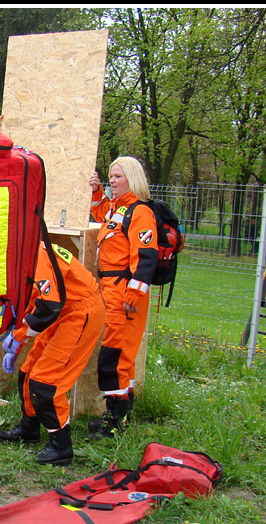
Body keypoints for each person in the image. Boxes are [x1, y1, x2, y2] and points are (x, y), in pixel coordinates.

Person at [0, 242, 104, 465]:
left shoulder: (31, 253)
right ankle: (29, 427)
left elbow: (48, 306)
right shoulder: (25, 249)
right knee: (28, 371)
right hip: (63, 310)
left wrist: (19, 338)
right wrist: (19, 339)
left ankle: (60, 445)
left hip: (79, 312)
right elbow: (37, 303)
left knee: (46, 382)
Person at [87, 157, 159, 439]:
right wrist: (96, 192)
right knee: (118, 355)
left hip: (124, 294)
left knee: (115, 357)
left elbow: (146, 258)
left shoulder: (140, 213)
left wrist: (133, 293)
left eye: (117, 176)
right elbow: (102, 215)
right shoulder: (120, 209)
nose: (112, 181)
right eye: (110, 176)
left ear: (132, 178)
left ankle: (114, 423)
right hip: (112, 290)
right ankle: (117, 415)